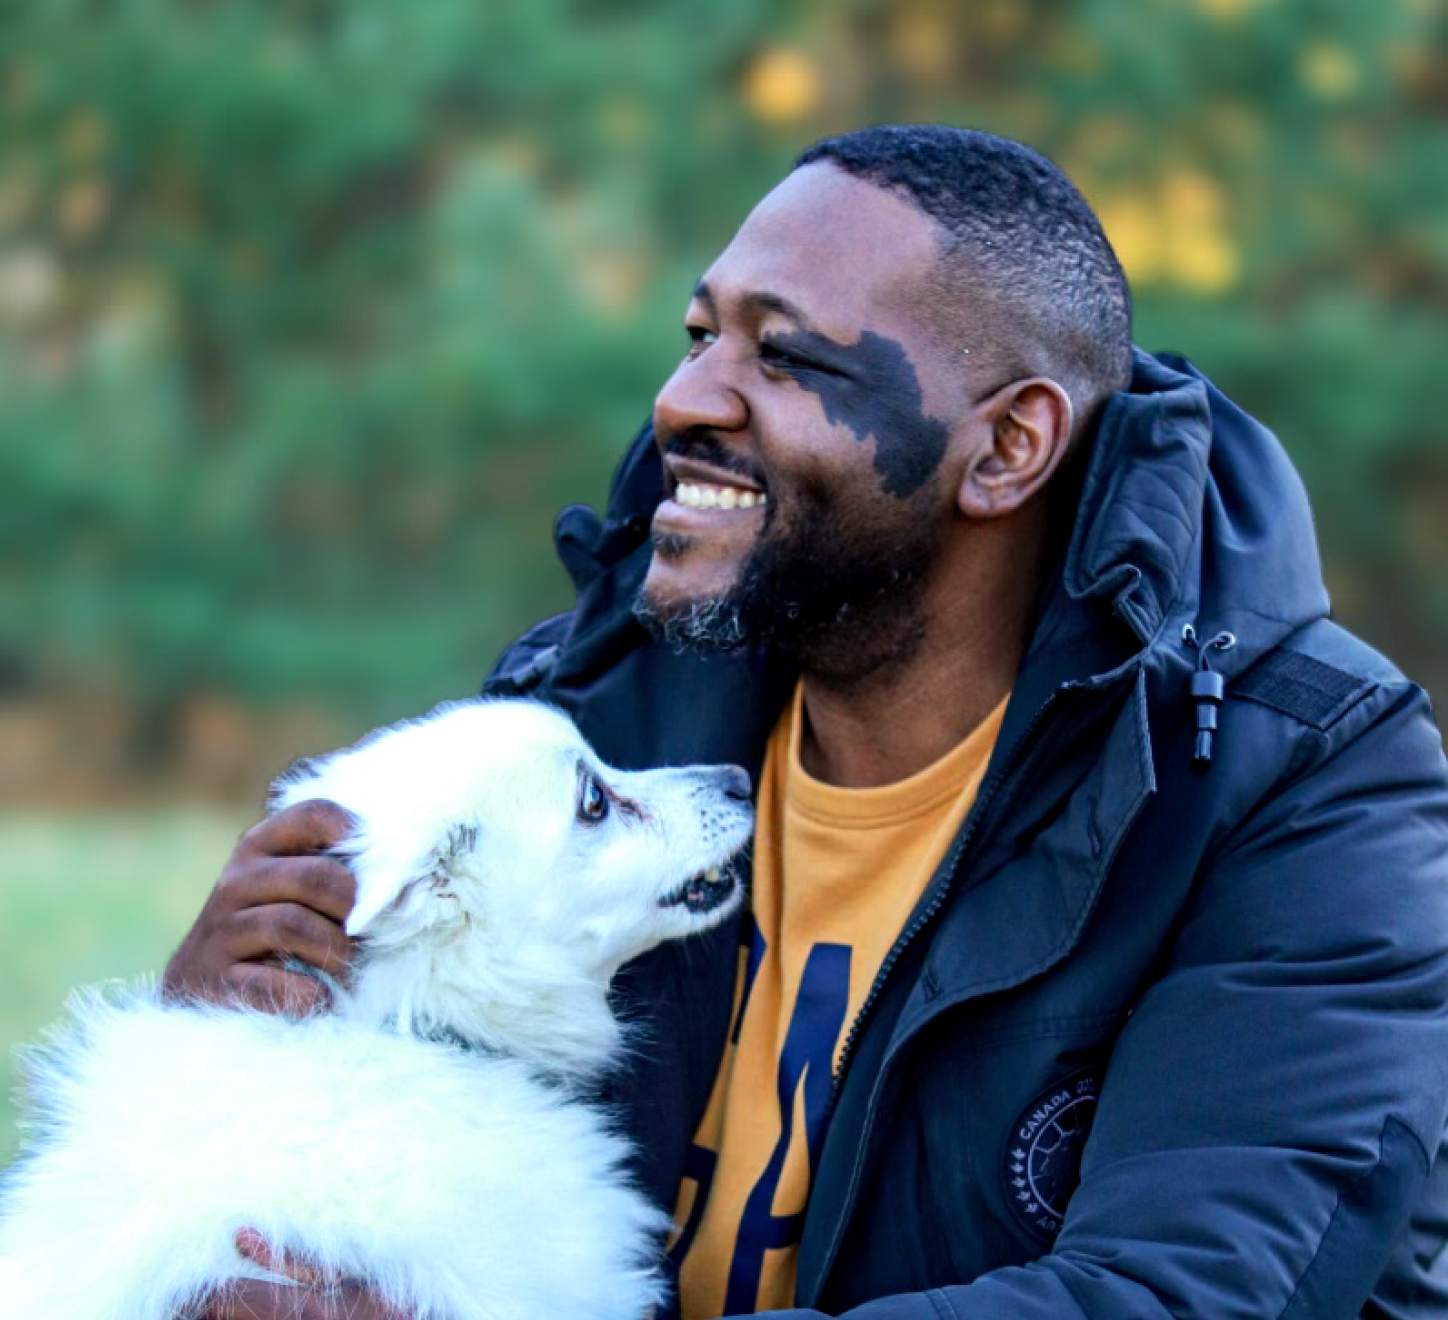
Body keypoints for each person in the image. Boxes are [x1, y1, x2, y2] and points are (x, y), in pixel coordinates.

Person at [163, 125, 1448, 1319]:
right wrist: (223, 1054)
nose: (682, 402)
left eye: (782, 358)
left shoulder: (1299, 784)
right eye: (697, 335)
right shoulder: (583, 713)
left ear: (1007, 449)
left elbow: (1185, 1295)